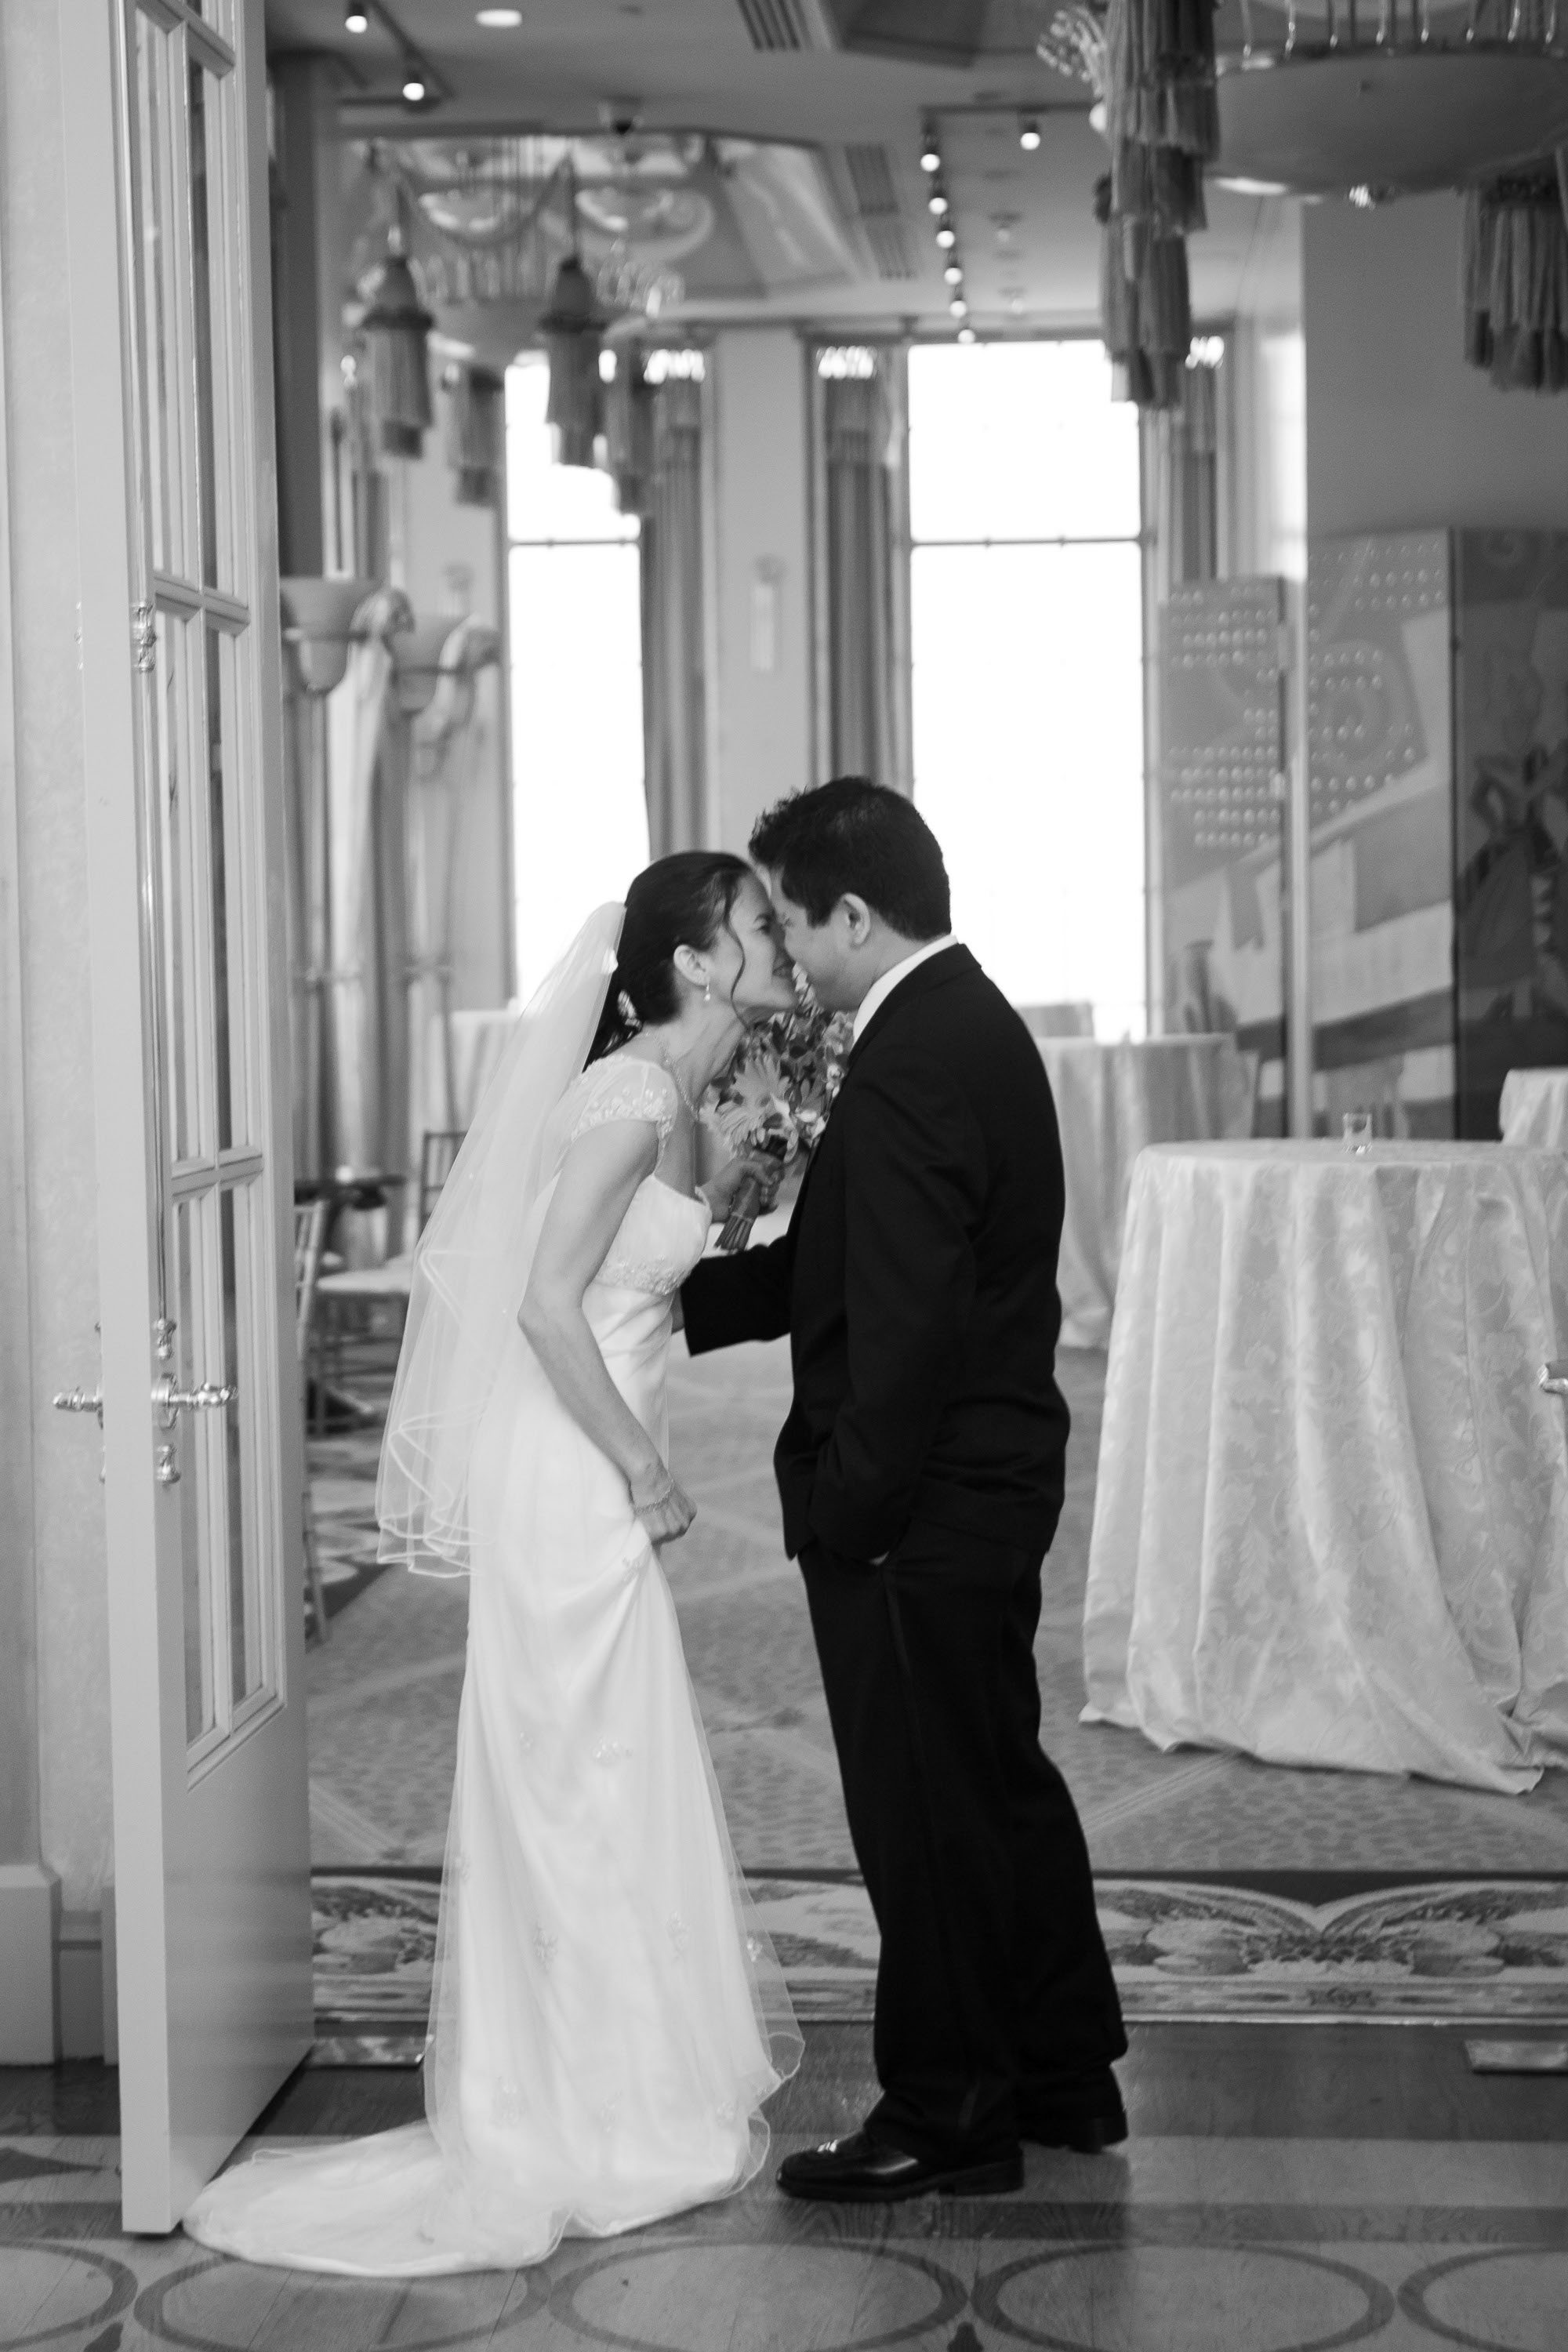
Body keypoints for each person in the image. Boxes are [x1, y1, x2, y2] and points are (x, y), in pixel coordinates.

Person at [184, 855, 803, 2274]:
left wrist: (757, 1177)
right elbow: (538, 1307)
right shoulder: (636, 1092)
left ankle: (619, 2083)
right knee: (575, 1770)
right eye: (758, 923)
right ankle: (570, 2108)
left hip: (598, 1451)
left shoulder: (685, 1096)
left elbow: (660, 1273)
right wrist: (644, 1470)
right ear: (700, 962)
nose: (776, 939)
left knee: (610, 1765)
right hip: (569, 1473)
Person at [681, 779, 1127, 2203]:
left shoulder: (918, 1054)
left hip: (922, 1507)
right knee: (998, 1782)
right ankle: (1062, 2074)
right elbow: (860, 1257)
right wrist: (685, 1298)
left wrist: (853, 1516)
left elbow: (910, 1320)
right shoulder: (959, 1023)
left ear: (856, 915)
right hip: (988, 1481)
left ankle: (948, 2115)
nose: (794, 958)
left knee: (926, 1814)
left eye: (798, 925)